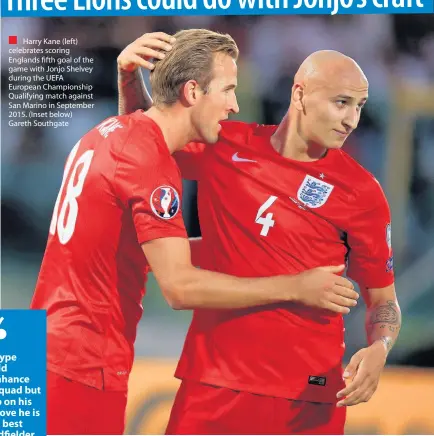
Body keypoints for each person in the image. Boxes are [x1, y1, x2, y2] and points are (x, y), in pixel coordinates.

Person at [31, 30, 357, 436]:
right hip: (82, 366)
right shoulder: (150, 165)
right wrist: (296, 286)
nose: (235, 105)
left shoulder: (106, 132)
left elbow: (140, 239)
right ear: (191, 91)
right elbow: (180, 287)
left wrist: (267, 252)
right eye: (228, 89)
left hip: (40, 352)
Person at [117, 34, 402, 435]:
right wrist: (129, 79)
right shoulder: (226, 146)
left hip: (309, 398)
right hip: (215, 384)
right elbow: (147, 137)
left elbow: (384, 302)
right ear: (300, 94)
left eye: (359, 106)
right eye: (341, 103)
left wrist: (379, 348)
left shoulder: (363, 193)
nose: (351, 120)